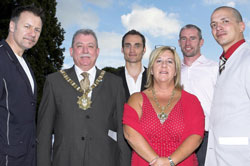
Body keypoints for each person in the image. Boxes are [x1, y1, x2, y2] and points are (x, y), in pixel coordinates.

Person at [36, 29, 131, 166]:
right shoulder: (54, 82)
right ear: (71, 51)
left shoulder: (114, 83)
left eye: (90, 46)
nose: (85, 51)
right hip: (65, 160)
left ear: (97, 51)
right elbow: (44, 133)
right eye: (79, 46)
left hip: (105, 160)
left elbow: (123, 132)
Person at [123, 46, 205, 166]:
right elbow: (130, 133)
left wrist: (170, 161)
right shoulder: (136, 99)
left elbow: (196, 136)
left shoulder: (191, 100)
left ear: (176, 70)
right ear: (151, 69)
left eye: (170, 61)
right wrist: (157, 162)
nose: (164, 65)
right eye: (159, 61)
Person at [205, 6, 250, 166]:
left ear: (241, 26)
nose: (218, 27)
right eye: (213, 24)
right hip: (221, 156)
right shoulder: (224, 62)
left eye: (225, 21)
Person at [0, 5, 44, 166]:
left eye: (37, 30)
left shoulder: (25, 64)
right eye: (27, 26)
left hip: (26, 157)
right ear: (12, 26)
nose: (32, 34)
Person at [178, 24, 218, 166]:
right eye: (183, 38)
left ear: (201, 42)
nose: (187, 43)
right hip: (178, 137)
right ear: (178, 42)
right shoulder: (173, 71)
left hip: (207, 137)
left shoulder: (214, 68)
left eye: (192, 38)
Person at [115, 29, 147, 101]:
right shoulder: (112, 80)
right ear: (122, 50)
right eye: (128, 46)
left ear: (144, 50)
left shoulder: (154, 79)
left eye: (137, 46)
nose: (132, 50)